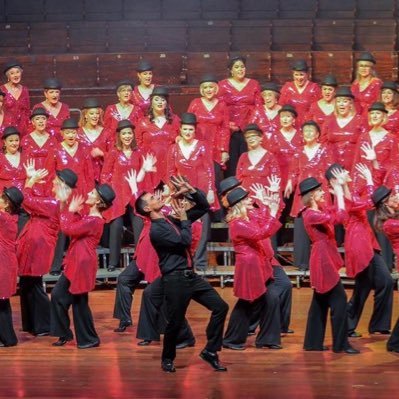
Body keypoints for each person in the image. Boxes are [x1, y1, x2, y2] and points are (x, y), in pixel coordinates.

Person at [135, 176, 229, 372]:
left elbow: (203, 207)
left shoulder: (171, 220)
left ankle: (211, 350)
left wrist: (190, 190)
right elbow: (184, 241)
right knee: (175, 322)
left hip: (190, 276)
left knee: (220, 307)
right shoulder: (157, 231)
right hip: (174, 279)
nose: (158, 197)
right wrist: (185, 220)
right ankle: (167, 358)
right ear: (147, 209)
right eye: (153, 198)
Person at [325, 164, 393, 337]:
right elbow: (370, 202)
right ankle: (347, 325)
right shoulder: (342, 198)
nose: (348, 172)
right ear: (334, 180)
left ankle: (378, 325)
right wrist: (369, 179)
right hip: (359, 245)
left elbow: (368, 200)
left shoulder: (349, 193)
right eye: (343, 171)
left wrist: (370, 178)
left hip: (367, 242)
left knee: (384, 281)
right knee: (363, 288)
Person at [50, 182, 115, 349]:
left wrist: (70, 211)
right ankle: (69, 334)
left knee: (79, 301)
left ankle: (88, 339)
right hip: (76, 260)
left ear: (98, 202)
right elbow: (73, 223)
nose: (89, 194)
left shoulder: (95, 220)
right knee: (59, 295)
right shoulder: (89, 217)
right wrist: (67, 206)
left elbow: (68, 229)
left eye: (93, 193)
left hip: (82, 262)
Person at [300, 176, 359, 354]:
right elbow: (339, 217)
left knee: (320, 301)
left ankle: (312, 342)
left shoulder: (320, 209)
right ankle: (341, 344)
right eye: (319, 191)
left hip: (323, 255)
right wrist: (339, 193)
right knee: (339, 301)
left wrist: (339, 191)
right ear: (311, 196)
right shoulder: (310, 213)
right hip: (322, 259)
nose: (322, 192)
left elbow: (340, 210)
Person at [222, 186, 282, 350]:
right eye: (247, 198)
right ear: (239, 203)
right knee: (247, 302)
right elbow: (261, 233)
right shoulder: (237, 223)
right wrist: (273, 212)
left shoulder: (248, 217)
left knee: (272, 298)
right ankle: (231, 339)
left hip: (259, 263)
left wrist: (268, 206)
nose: (250, 200)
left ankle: (268, 339)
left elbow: (264, 222)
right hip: (250, 266)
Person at [17, 167, 75, 337]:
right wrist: (32, 181)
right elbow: (35, 200)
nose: (53, 181)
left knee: (34, 283)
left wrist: (31, 181)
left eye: (57, 180)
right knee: (27, 283)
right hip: (34, 243)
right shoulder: (53, 201)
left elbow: (25, 199)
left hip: (38, 246)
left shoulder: (53, 204)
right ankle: (31, 323)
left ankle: (45, 324)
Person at [101, 119, 156, 272]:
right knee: (116, 226)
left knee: (139, 225)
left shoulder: (139, 152)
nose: (127, 136)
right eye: (124, 133)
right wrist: (109, 193)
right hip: (117, 197)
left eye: (129, 133)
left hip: (134, 194)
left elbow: (143, 175)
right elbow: (105, 175)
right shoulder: (113, 152)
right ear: (119, 135)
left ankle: (140, 262)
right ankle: (113, 262)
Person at [167, 112, 218, 270]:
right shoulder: (173, 148)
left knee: (202, 227)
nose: (188, 132)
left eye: (190, 130)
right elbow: (170, 172)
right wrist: (173, 190)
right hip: (181, 192)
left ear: (194, 130)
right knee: (184, 226)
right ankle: (184, 261)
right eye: (185, 129)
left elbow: (209, 169)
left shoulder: (202, 146)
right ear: (180, 130)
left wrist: (210, 189)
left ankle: (201, 263)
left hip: (200, 190)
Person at [352, 102, 399, 270]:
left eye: (378, 114)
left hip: (383, 189)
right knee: (368, 227)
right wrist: (355, 189)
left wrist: (375, 162)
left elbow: (394, 166)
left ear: (385, 117)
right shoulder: (364, 137)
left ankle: (386, 266)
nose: (374, 117)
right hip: (365, 188)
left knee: (383, 226)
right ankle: (371, 265)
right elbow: (357, 164)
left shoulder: (391, 139)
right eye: (372, 114)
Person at [47, 117, 95, 276]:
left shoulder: (84, 149)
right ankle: (55, 266)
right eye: (68, 132)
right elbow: (50, 174)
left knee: (79, 230)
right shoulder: (55, 150)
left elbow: (89, 174)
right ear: (62, 133)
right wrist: (55, 194)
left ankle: (79, 264)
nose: (71, 135)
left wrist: (90, 194)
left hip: (80, 194)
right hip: (63, 194)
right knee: (61, 229)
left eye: (73, 132)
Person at [286, 121, 332, 270]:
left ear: (318, 134)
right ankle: (301, 263)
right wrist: (289, 183)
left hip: (320, 190)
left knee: (323, 227)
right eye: (305, 131)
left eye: (311, 131)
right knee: (301, 226)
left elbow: (330, 170)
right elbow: (294, 172)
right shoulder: (299, 151)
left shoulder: (325, 149)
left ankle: (327, 262)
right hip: (303, 191)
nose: (308, 134)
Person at [218, 55, 262, 177]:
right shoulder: (222, 85)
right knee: (232, 164)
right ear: (231, 70)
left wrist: (251, 126)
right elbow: (219, 108)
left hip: (249, 129)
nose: (240, 69)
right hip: (230, 130)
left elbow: (259, 107)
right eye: (236, 67)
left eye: (242, 66)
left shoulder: (254, 84)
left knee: (249, 162)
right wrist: (228, 125)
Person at [187, 74, 230, 191]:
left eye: (211, 87)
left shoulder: (222, 105)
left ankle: (215, 207)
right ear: (202, 89)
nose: (208, 90)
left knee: (215, 179)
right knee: (198, 177)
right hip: (198, 144)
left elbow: (225, 128)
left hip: (215, 147)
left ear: (216, 88)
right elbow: (187, 124)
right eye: (205, 87)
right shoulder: (195, 103)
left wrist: (224, 150)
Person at [135, 87, 180, 188]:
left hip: (170, 164)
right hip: (150, 165)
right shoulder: (142, 122)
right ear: (151, 102)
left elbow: (181, 140)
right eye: (157, 99)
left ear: (167, 103)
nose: (160, 102)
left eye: (163, 100)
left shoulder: (175, 120)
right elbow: (138, 144)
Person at [373, 185, 399, 352]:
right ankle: (394, 343)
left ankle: (395, 343)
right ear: (386, 203)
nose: (396, 197)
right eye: (393, 196)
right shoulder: (389, 224)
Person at [321, 86, 366, 172]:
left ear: (351, 104)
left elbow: (365, 143)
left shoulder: (360, 120)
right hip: (332, 164)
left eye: (345, 101)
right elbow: (323, 143)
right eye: (338, 101)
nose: (341, 104)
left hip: (354, 164)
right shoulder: (329, 120)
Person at [0, 186, 24, 347]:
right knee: (2, 302)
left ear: (7, 205)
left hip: (3, 263)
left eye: (2, 199)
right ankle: (7, 338)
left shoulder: (4, 218)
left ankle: (7, 338)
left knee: (1, 301)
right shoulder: (11, 217)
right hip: (5, 261)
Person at [21, 107, 58, 197]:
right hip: (32, 178)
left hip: (49, 179)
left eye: (43, 118)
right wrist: (32, 177)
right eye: (37, 119)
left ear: (47, 121)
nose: (41, 121)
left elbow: (56, 161)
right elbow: (24, 162)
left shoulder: (53, 139)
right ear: (33, 122)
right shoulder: (26, 139)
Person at [0, 126, 28, 232]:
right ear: (4, 142)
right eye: (11, 140)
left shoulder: (26, 156)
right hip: (5, 203)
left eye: (16, 140)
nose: (14, 143)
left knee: (22, 233)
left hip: (23, 202)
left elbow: (30, 178)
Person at [78, 98, 112, 182]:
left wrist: (102, 153)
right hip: (84, 176)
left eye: (97, 113)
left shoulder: (107, 133)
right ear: (85, 115)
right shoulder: (78, 134)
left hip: (103, 175)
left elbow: (114, 155)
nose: (95, 116)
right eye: (91, 113)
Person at [279, 59, 321, 128]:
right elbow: (281, 107)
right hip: (291, 125)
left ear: (307, 74)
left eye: (301, 75)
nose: (299, 78)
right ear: (293, 74)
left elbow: (318, 110)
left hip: (308, 125)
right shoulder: (287, 87)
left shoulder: (314, 88)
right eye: (296, 75)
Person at [0, 60, 30, 135]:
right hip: (7, 128)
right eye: (12, 73)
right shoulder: (1, 89)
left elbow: (27, 111)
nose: (16, 75)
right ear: (8, 76)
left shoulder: (25, 90)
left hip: (23, 128)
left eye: (17, 72)